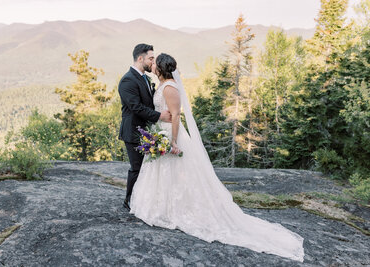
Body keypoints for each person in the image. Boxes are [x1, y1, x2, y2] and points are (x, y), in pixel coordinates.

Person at [129, 53, 305, 262]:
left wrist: (174, 141)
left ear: (161, 67)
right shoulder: (163, 84)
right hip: (161, 132)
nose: (153, 64)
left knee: (174, 173)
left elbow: (176, 115)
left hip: (170, 134)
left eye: (155, 62)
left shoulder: (169, 87)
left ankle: (173, 209)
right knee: (163, 173)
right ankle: (160, 205)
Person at [118, 44, 172, 211]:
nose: (153, 62)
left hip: (146, 132)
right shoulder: (128, 80)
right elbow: (136, 107)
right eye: (150, 58)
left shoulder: (144, 78)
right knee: (137, 168)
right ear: (140, 58)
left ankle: (142, 201)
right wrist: (159, 116)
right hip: (133, 131)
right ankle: (129, 201)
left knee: (146, 169)